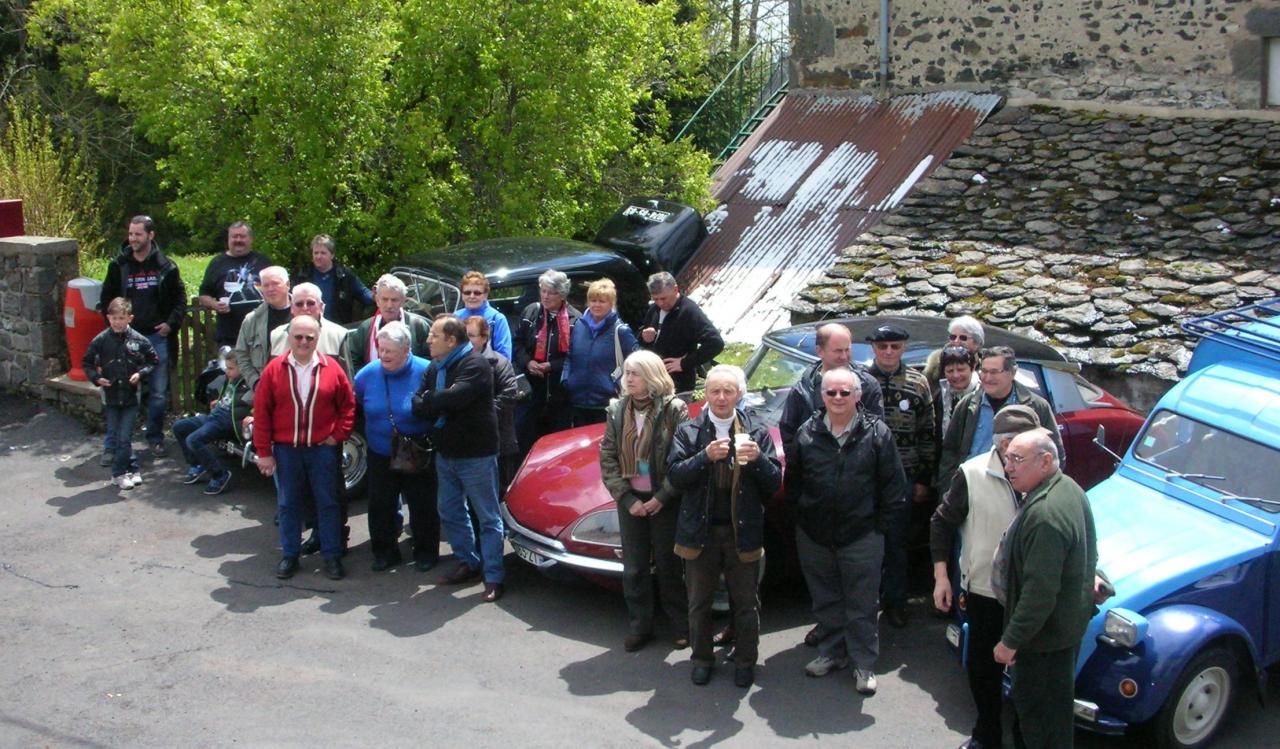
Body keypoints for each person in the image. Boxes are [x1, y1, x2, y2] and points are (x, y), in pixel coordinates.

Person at [786, 368, 905, 696]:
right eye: (831, 393)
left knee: (863, 602)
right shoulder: (806, 433)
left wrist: (879, 529)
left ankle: (864, 663)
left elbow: (894, 489)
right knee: (825, 598)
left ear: (857, 395)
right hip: (815, 535)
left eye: (844, 393)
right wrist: (804, 523)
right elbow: (793, 484)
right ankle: (832, 652)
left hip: (862, 535)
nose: (837, 398)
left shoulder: (878, 434)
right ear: (822, 396)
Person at [930, 404, 1043, 749]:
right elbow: (942, 522)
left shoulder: (1048, 474)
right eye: (1010, 446)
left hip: (1030, 596)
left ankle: (1026, 740)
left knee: (1030, 677)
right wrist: (942, 577)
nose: (1014, 455)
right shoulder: (972, 473)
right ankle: (987, 735)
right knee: (983, 670)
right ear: (1001, 443)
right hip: (983, 590)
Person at [669, 364, 782, 688]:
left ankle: (746, 661)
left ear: (739, 396)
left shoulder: (756, 432)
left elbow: (774, 483)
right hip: (700, 533)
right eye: (715, 391)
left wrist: (759, 458)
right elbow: (675, 477)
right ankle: (702, 658)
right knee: (699, 602)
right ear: (706, 395)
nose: (721, 397)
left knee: (746, 603)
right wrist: (704, 457)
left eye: (728, 391)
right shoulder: (689, 432)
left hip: (741, 533)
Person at [995, 428, 1100, 749]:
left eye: (1017, 459)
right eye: (1007, 458)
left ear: (1045, 461)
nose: (1008, 467)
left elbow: (1039, 592)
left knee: (1041, 722)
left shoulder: (1045, 515)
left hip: (1042, 644)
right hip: (1062, 633)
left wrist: (1010, 641)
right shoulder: (1069, 489)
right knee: (1053, 716)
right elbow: (1087, 553)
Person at [597, 350, 690, 654]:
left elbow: (683, 459)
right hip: (631, 499)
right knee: (635, 567)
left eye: (635, 373)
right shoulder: (617, 409)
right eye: (627, 373)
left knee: (669, 564)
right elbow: (608, 456)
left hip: (665, 498)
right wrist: (626, 498)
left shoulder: (675, 409)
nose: (629, 379)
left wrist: (662, 497)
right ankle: (641, 626)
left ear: (652, 376)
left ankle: (680, 625)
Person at [253, 315, 356, 581]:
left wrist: (338, 435)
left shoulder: (332, 368)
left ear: (317, 339)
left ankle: (331, 556)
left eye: (309, 337)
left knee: (328, 503)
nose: (303, 342)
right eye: (298, 336)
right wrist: (263, 452)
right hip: (287, 451)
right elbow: (262, 413)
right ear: (289, 337)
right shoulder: (274, 370)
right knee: (288, 504)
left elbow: (347, 406)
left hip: (322, 450)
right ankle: (290, 555)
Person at [412, 314, 506, 602]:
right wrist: (433, 400)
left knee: (487, 517)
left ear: (451, 340)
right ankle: (468, 562)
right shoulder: (435, 366)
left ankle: (493, 576)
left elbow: (453, 399)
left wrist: (432, 400)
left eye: (433, 335)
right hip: (446, 452)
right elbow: (418, 402)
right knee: (450, 511)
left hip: (476, 454)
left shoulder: (475, 364)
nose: (428, 340)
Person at [353, 321, 439, 572]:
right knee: (380, 504)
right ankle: (384, 552)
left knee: (422, 504)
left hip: (417, 450)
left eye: (390, 350)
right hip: (380, 451)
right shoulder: (368, 374)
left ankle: (425, 551)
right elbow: (356, 402)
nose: (384, 355)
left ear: (407, 349)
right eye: (381, 349)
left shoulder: (428, 371)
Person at [866, 323, 935, 629]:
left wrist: (923, 478)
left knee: (896, 544)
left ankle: (896, 601)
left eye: (895, 346)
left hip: (903, 477)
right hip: (866, 478)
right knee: (866, 545)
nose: (889, 352)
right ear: (874, 349)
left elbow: (928, 433)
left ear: (903, 348)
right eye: (883, 347)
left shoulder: (918, 383)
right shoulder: (861, 381)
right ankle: (865, 603)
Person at [99, 215, 185, 457]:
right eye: (130, 234)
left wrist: (170, 325)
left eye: (138, 234)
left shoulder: (166, 266)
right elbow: (106, 299)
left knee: (158, 394)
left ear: (150, 235)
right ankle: (113, 444)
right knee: (119, 392)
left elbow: (180, 300)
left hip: (156, 339)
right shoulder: (119, 265)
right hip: (124, 340)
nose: (133, 239)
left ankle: (155, 438)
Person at [938, 345, 1063, 492]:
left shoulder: (1035, 407)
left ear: (1012, 373)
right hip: (973, 487)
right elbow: (949, 453)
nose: (987, 378)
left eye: (994, 372)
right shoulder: (968, 405)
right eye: (984, 371)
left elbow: (1056, 454)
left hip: (1016, 490)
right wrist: (949, 489)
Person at [83, 297, 159, 490]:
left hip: (131, 396)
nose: (117, 322)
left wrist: (140, 374)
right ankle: (125, 471)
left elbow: (153, 361)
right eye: (114, 318)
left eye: (121, 318)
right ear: (108, 318)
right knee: (119, 436)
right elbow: (87, 362)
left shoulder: (139, 340)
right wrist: (96, 378)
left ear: (129, 318)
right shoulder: (100, 340)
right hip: (110, 396)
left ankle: (122, 471)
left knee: (124, 436)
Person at [778, 322, 885, 455]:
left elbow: (878, 434)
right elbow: (789, 436)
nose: (844, 356)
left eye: (847, 350)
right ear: (819, 351)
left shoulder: (868, 386)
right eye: (838, 351)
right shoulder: (802, 392)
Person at [513, 269, 581, 450]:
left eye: (551, 292)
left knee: (558, 447)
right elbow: (517, 344)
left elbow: (577, 356)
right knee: (527, 443)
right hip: (532, 393)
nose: (545, 296)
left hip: (560, 397)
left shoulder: (575, 320)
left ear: (562, 294)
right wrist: (528, 362)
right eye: (543, 291)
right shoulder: (531, 312)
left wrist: (551, 365)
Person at [172, 350, 252, 496]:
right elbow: (229, 397)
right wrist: (219, 401)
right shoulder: (230, 379)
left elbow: (260, 402)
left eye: (231, 368)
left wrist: (253, 415)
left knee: (193, 440)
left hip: (226, 421)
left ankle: (219, 475)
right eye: (226, 367)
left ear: (242, 368)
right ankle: (197, 464)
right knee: (179, 427)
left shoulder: (250, 383)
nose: (227, 371)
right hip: (214, 416)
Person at [561, 278, 637, 427]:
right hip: (578, 402)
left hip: (607, 404)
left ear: (611, 304)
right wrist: (566, 380)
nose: (596, 305)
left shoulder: (620, 330)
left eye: (602, 301)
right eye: (593, 300)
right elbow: (570, 356)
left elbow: (637, 361)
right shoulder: (578, 326)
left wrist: (617, 384)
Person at [637, 272, 724, 393]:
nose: (660, 303)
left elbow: (715, 343)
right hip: (653, 382)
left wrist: (684, 363)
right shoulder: (654, 309)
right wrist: (644, 338)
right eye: (656, 299)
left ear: (675, 289)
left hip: (679, 387)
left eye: (663, 298)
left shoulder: (690, 311)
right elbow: (643, 340)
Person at [464, 316, 520, 495]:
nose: (467, 340)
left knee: (499, 494)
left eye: (471, 335)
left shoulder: (499, 363)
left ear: (484, 337)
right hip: (467, 445)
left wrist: (479, 417)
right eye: (464, 335)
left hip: (498, 442)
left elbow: (509, 396)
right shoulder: (457, 363)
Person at [198, 221, 272, 347]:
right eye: (234, 236)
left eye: (242, 236)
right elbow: (203, 296)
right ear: (228, 239)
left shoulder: (262, 261)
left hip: (261, 334)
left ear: (250, 239)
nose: (238, 240)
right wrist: (215, 305)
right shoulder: (217, 263)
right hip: (229, 336)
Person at [345, 274, 431, 371]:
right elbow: (352, 361)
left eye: (394, 300)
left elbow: (431, 360)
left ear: (403, 301)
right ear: (377, 301)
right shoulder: (366, 328)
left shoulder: (418, 326)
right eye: (385, 299)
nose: (389, 305)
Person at [232, 266, 291, 390]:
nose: (270, 289)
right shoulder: (252, 320)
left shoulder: (304, 315)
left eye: (275, 284)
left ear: (288, 285)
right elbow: (241, 354)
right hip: (263, 390)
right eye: (265, 285)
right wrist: (255, 382)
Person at [293, 234, 373, 325]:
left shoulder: (345, 275)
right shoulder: (303, 276)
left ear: (332, 255)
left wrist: (377, 296)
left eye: (323, 253)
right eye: (316, 253)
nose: (318, 256)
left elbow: (364, 293)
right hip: (308, 328)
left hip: (338, 328)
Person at [268, 282, 350, 368]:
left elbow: (346, 379)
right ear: (292, 308)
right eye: (299, 304)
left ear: (321, 306)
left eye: (310, 303)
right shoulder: (276, 336)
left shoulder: (338, 335)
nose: (305, 308)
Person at [453, 271, 512, 360]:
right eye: (467, 292)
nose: (472, 296)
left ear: (485, 295)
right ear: (462, 294)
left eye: (477, 293)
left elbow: (504, 356)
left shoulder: (497, 319)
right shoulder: (455, 317)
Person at [934, 345, 979, 447]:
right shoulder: (941, 396)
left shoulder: (983, 394)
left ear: (972, 368)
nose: (956, 375)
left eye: (961, 369)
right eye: (950, 371)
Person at [922, 315, 984, 386]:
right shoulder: (935, 365)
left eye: (963, 338)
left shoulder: (986, 367)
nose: (956, 341)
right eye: (953, 337)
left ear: (976, 342)